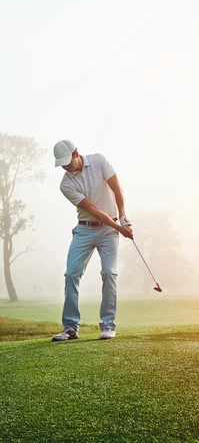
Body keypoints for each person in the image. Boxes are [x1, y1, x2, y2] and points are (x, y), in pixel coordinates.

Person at [51, 139, 133, 341]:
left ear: (76, 153)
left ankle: (108, 325)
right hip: (84, 230)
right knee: (71, 274)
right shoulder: (66, 184)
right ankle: (70, 328)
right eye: (61, 163)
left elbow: (117, 189)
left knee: (109, 272)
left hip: (108, 232)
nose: (65, 166)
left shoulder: (99, 161)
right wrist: (120, 228)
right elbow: (94, 210)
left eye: (67, 161)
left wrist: (122, 217)